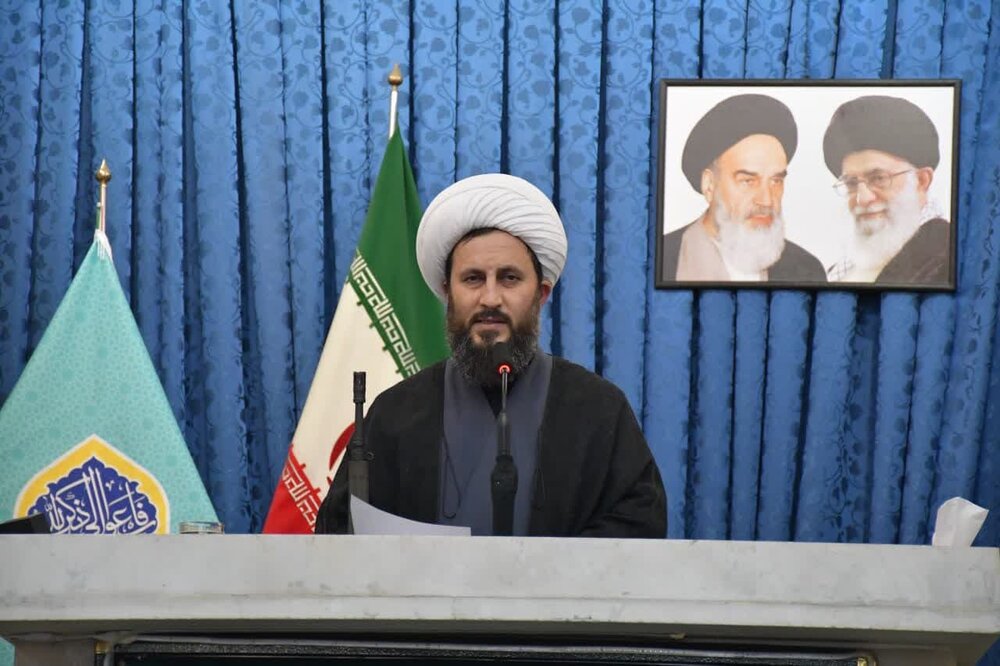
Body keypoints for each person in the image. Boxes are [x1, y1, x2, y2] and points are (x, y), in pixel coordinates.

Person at [315, 174, 666, 538]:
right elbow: (339, 532)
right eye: (473, 279)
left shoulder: (599, 409)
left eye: (509, 278)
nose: (491, 298)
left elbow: (639, 525)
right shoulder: (395, 413)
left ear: (541, 294)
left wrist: (544, 568)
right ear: (447, 293)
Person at [660, 94, 826, 284]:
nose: (766, 200)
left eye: (775, 181)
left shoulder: (806, 269)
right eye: (748, 181)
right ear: (709, 185)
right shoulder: (660, 258)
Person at [822, 95, 951, 285]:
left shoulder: (948, 257)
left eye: (878, 178)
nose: (862, 199)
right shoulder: (842, 268)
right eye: (851, 184)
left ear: (921, 181)